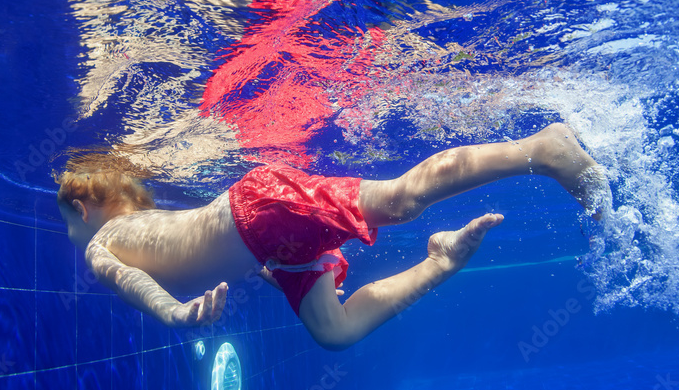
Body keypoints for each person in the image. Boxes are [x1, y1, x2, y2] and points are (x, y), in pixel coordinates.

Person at [55, 123, 609, 350]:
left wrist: (175, 314)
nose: (74, 235)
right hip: (270, 244)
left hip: (261, 211)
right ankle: (441, 260)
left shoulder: (104, 241)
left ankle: (540, 150)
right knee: (333, 331)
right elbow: (227, 254)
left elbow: (126, 281)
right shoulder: (150, 225)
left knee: (399, 201)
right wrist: (276, 275)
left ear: (81, 208)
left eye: (68, 223)